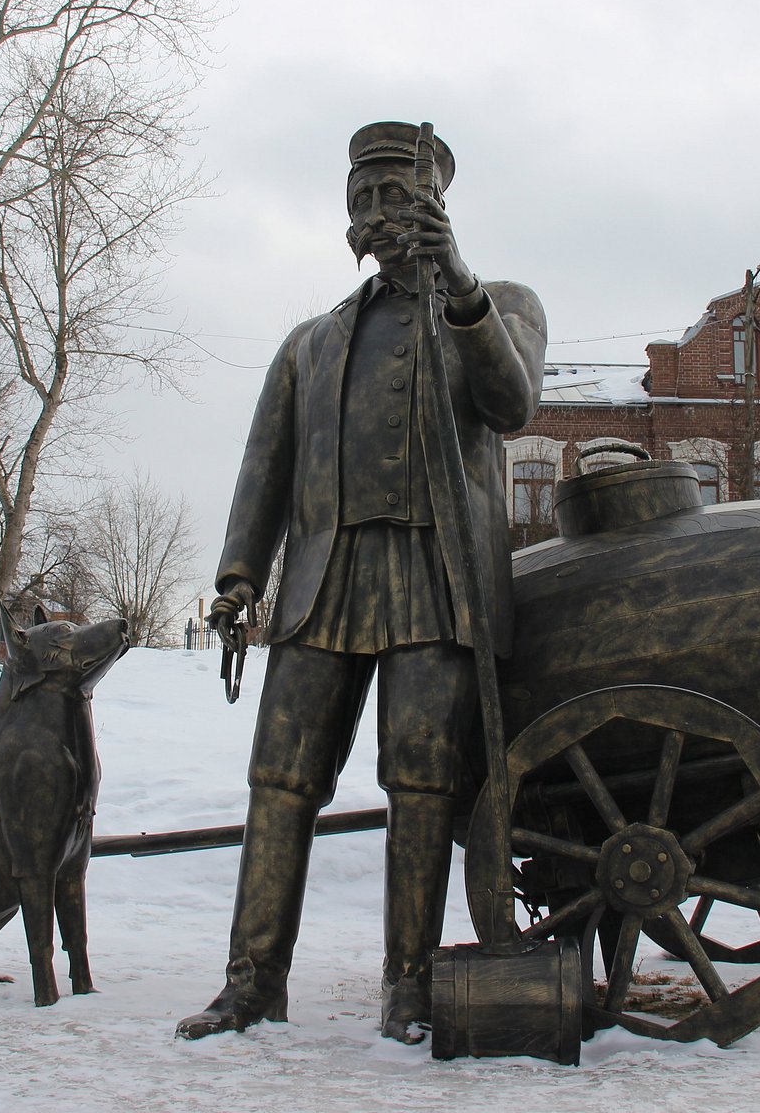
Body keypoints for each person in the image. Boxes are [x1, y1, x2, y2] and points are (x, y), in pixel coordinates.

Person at [176, 121, 546, 1044]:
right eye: (362, 199)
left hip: (438, 577)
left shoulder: (499, 303)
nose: (378, 214)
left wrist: (457, 282)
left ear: (436, 205)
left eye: (396, 195)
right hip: (324, 581)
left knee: (420, 783)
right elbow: (263, 471)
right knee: (280, 780)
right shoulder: (313, 342)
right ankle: (252, 981)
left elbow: (513, 404)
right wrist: (235, 580)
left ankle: (409, 987)